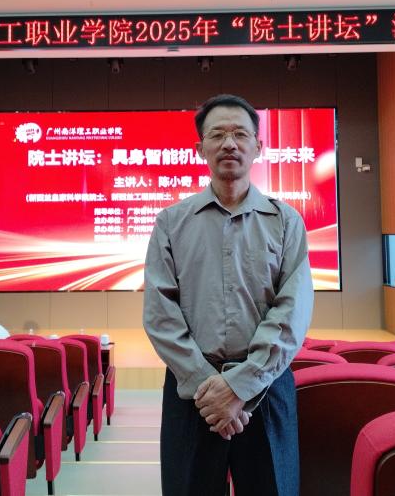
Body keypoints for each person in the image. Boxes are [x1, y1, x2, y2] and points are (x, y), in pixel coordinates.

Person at [143, 94, 314, 496]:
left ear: (259, 146)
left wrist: (240, 386)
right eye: (217, 135)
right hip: (194, 395)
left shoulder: (286, 221)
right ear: (199, 148)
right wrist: (209, 387)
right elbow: (160, 313)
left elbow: (292, 311)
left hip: (266, 391)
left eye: (240, 134)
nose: (229, 144)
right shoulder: (171, 223)